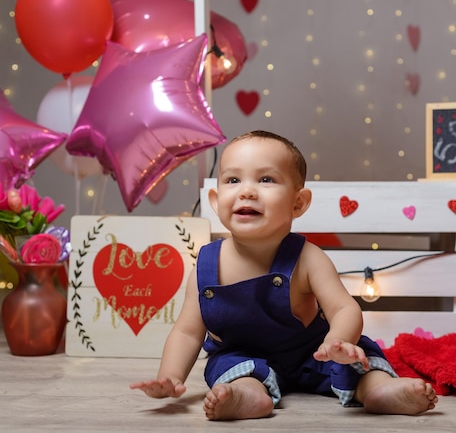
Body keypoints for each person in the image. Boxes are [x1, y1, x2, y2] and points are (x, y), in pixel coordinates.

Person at [130, 130, 438, 420]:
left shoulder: (307, 257)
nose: (247, 191)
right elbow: (187, 332)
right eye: (233, 180)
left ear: (298, 203)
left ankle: (379, 390)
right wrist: (170, 377)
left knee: (358, 361)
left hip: (314, 353)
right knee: (232, 368)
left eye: (266, 179)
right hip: (245, 356)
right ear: (215, 201)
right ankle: (247, 397)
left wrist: (338, 342)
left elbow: (344, 308)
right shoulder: (208, 264)